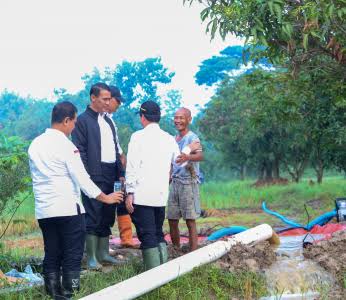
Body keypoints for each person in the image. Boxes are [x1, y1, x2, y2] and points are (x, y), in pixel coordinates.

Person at [28, 101, 123, 299]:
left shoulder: (35, 144)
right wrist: (106, 198)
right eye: (74, 122)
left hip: (45, 211)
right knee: (72, 254)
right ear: (65, 121)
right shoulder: (66, 146)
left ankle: (53, 293)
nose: (74, 126)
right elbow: (83, 180)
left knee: (52, 252)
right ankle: (71, 292)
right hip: (68, 210)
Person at [71, 83, 125, 269]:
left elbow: (117, 150)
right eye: (105, 99)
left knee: (107, 215)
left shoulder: (109, 121)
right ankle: (91, 257)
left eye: (109, 99)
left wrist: (121, 174)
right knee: (93, 214)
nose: (108, 102)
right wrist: (87, 176)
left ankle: (103, 253)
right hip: (94, 173)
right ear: (93, 98)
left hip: (112, 173)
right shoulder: (83, 121)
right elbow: (81, 151)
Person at [167, 108, 203, 252]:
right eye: (176, 117)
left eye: (181, 118)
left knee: (190, 219)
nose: (178, 121)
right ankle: (176, 249)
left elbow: (200, 156)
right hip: (175, 182)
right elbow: (172, 162)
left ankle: (193, 251)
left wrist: (188, 156)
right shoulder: (174, 138)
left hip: (188, 182)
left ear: (189, 119)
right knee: (172, 218)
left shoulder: (192, 138)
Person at [107, 85, 135, 248]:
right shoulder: (100, 119)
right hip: (106, 170)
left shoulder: (110, 120)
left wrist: (122, 160)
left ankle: (126, 239)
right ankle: (105, 242)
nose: (118, 105)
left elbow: (116, 146)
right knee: (108, 204)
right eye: (117, 101)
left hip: (117, 169)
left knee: (121, 198)